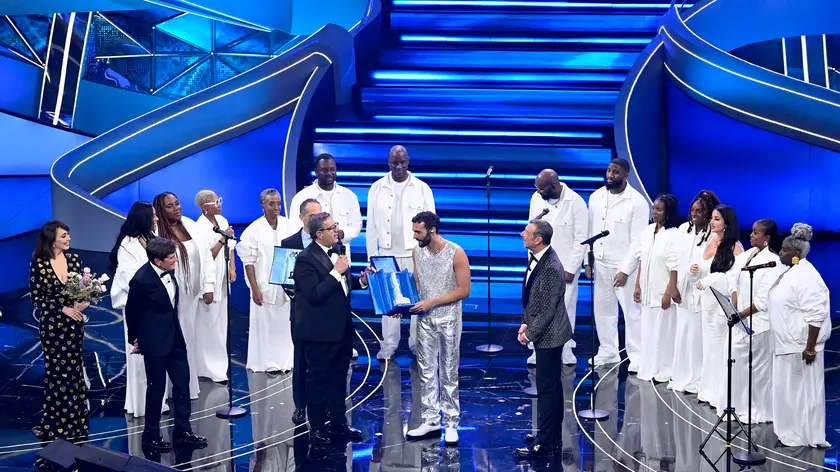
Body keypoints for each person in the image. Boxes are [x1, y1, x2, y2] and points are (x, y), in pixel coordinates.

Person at [294, 212, 369, 447]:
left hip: (342, 330)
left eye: (336, 226)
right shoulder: (305, 259)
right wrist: (336, 271)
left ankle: (339, 424)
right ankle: (316, 427)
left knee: (339, 379)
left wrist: (363, 280)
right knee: (317, 380)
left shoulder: (338, 253)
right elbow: (314, 295)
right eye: (332, 227)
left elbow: (346, 284)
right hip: (319, 333)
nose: (337, 230)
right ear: (319, 234)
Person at [125, 238, 208, 451]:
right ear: (158, 261)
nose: (175, 261)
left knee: (182, 385)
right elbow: (131, 312)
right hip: (154, 342)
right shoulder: (141, 280)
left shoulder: (168, 272)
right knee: (156, 389)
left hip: (175, 339)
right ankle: (150, 435)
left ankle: (183, 431)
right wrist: (136, 339)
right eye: (171, 258)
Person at [405, 211, 470, 446]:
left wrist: (433, 302)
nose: (414, 236)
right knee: (426, 371)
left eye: (417, 232)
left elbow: (464, 290)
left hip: (449, 319)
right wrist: (402, 305)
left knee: (449, 371)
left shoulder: (456, 252)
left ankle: (451, 423)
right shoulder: (417, 252)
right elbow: (417, 285)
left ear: (431, 230)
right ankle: (431, 420)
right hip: (424, 319)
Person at [367, 145, 436, 359]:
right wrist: (373, 258)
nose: (399, 166)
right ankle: (388, 344)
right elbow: (371, 227)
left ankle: (417, 344)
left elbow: (431, 224)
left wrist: (430, 255)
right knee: (388, 299)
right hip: (387, 254)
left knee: (416, 298)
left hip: (415, 252)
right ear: (388, 163)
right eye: (395, 162)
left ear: (408, 162)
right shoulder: (377, 188)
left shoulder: (422, 188)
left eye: (402, 162)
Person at [514, 219, 573, 459]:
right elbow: (533, 299)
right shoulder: (539, 256)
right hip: (545, 329)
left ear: (538, 240)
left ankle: (544, 445)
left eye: (526, 232)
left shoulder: (549, 267)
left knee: (547, 390)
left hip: (550, 334)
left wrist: (529, 333)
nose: (521, 234)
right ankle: (551, 434)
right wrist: (525, 322)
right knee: (551, 387)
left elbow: (548, 309)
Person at [769, 223, 830, 448]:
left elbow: (817, 313)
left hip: (801, 346)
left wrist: (810, 347)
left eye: (784, 250)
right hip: (787, 345)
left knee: (803, 395)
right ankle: (790, 432)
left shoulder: (807, 276)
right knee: (788, 393)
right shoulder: (791, 271)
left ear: (796, 254)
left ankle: (804, 435)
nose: (780, 252)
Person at [584, 158, 649, 369]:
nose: (610, 175)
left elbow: (637, 241)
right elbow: (590, 231)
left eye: (616, 172)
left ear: (626, 175)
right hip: (600, 264)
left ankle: (638, 358)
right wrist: (588, 261)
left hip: (624, 268)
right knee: (603, 312)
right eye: (609, 171)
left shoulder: (637, 202)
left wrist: (625, 270)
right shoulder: (595, 197)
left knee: (632, 313)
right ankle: (608, 352)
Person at [29, 221, 90, 441]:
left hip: (74, 325)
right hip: (53, 326)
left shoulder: (74, 259)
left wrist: (84, 302)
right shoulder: (39, 263)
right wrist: (62, 308)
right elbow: (37, 299)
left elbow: (83, 290)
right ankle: (54, 426)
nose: (68, 239)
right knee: (57, 375)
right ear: (51, 239)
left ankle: (78, 424)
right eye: (64, 236)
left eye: (68, 235)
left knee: (74, 373)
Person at [153, 192, 216, 399]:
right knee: (175, 341)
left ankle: (186, 386)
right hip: (171, 297)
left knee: (189, 340)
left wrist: (208, 286)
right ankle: (173, 389)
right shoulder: (156, 232)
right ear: (161, 211)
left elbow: (207, 255)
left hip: (194, 293)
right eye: (170, 206)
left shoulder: (190, 224)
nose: (176, 208)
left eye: (177, 203)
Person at [109, 201, 168, 418]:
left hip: (156, 306)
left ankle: (157, 401)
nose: (156, 218)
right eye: (152, 215)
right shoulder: (128, 245)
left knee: (157, 356)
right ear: (143, 217)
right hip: (139, 307)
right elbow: (129, 277)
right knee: (141, 357)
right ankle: (143, 405)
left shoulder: (151, 239)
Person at [527, 169, 587, 366]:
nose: (538, 192)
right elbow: (531, 230)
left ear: (552, 186)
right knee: (536, 307)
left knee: (566, 308)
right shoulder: (536, 199)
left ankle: (566, 349)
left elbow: (581, 238)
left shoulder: (576, 202)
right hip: (539, 265)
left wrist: (571, 268)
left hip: (564, 267)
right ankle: (536, 349)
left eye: (541, 188)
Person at [237, 188, 296, 373]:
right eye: (272, 204)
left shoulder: (290, 225)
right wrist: (254, 288)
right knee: (265, 325)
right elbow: (249, 262)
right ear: (263, 205)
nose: (276, 207)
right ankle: (265, 363)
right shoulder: (253, 230)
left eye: (278, 203)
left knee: (285, 325)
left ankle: (287, 361)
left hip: (287, 284)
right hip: (264, 285)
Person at [731, 219, 782, 423]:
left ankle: (761, 412)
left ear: (767, 238)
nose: (750, 235)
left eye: (755, 233)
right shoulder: (750, 255)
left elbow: (762, 301)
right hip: (744, 321)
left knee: (760, 371)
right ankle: (745, 406)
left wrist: (739, 315)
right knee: (745, 368)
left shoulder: (772, 262)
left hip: (759, 324)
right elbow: (735, 280)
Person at [669, 190, 719, 393]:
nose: (694, 214)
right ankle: (681, 375)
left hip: (700, 292)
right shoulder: (683, 230)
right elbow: (673, 260)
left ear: (708, 213)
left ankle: (698, 378)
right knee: (682, 334)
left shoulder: (713, 235)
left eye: (699, 211)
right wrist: (672, 286)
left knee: (697, 338)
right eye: (692, 210)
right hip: (681, 290)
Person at [694, 205, 743, 409]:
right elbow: (704, 267)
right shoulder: (710, 241)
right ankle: (708, 389)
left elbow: (735, 278)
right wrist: (696, 270)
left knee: (720, 346)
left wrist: (712, 279)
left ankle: (721, 393)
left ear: (727, 223)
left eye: (717, 219)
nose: (712, 222)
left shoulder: (736, 247)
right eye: (712, 218)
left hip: (721, 303)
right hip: (706, 300)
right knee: (709, 346)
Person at [280, 197, 322, 425]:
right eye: (312, 215)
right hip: (301, 310)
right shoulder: (289, 242)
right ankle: (300, 406)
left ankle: (321, 406)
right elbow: (284, 277)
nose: (316, 219)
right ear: (302, 217)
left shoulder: (329, 241)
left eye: (320, 214)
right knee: (301, 358)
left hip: (325, 309)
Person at [634, 194, 681, 383]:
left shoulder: (674, 234)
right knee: (648, 332)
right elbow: (641, 260)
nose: (654, 212)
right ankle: (648, 368)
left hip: (662, 291)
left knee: (664, 334)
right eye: (653, 208)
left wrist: (668, 292)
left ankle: (664, 369)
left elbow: (675, 267)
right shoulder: (647, 231)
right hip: (647, 291)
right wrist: (637, 285)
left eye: (659, 209)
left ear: (668, 212)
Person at [194, 190, 236, 383]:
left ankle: (220, 367)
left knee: (221, 325)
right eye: (215, 201)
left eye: (220, 200)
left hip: (222, 280)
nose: (220, 204)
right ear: (204, 207)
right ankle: (208, 368)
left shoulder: (223, 220)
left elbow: (231, 247)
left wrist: (232, 268)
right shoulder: (199, 228)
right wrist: (223, 238)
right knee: (208, 326)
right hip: (209, 280)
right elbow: (207, 256)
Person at [289, 154, 362, 254]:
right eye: (324, 170)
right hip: (311, 255)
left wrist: (339, 234)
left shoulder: (349, 196)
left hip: (341, 256)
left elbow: (356, 226)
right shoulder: (301, 197)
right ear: (316, 171)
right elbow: (294, 227)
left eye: (332, 169)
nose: (329, 173)